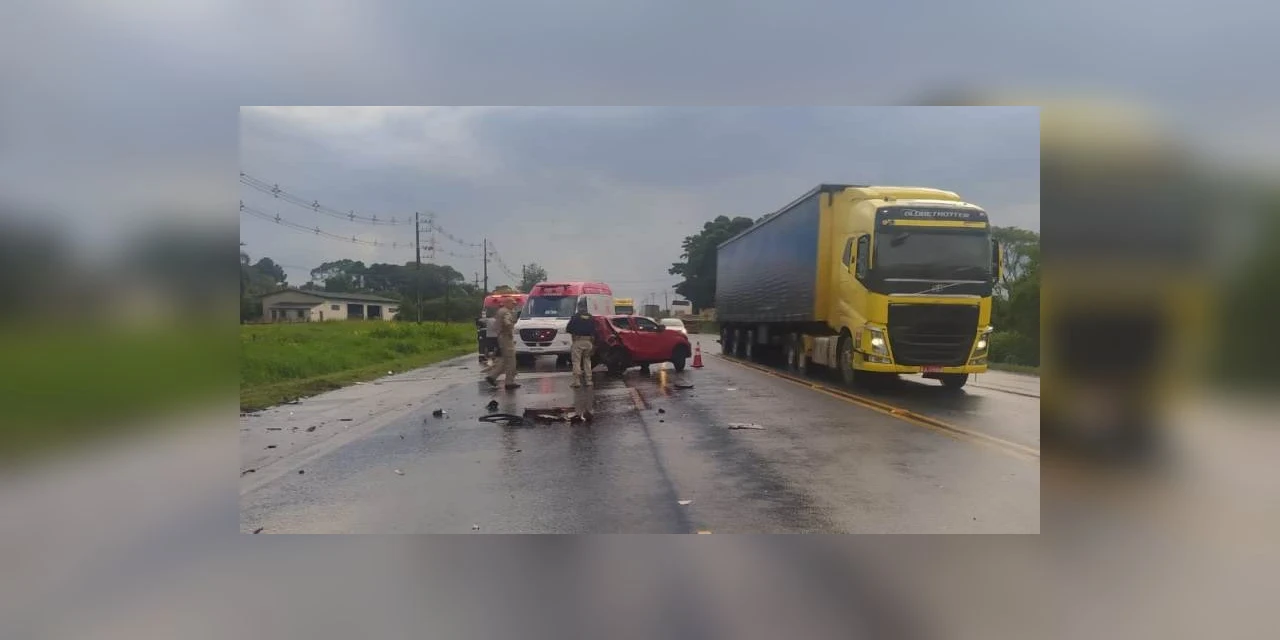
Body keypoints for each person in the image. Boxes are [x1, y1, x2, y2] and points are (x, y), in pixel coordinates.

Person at [483, 297, 521, 390]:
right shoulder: (506, 312)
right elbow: (507, 323)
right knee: (511, 360)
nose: (514, 306)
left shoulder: (500, 311)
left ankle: (492, 376)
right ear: (507, 303)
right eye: (513, 303)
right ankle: (509, 382)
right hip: (506, 338)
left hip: (501, 336)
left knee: (504, 360)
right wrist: (509, 331)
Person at [564, 298, 597, 388]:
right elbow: (595, 331)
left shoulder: (575, 317)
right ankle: (589, 381)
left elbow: (568, 329)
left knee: (576, 361)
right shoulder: (591, 317)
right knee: (587, 361)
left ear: (579, 307)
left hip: (578, 341)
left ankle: (577, 381)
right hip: (589, 342)